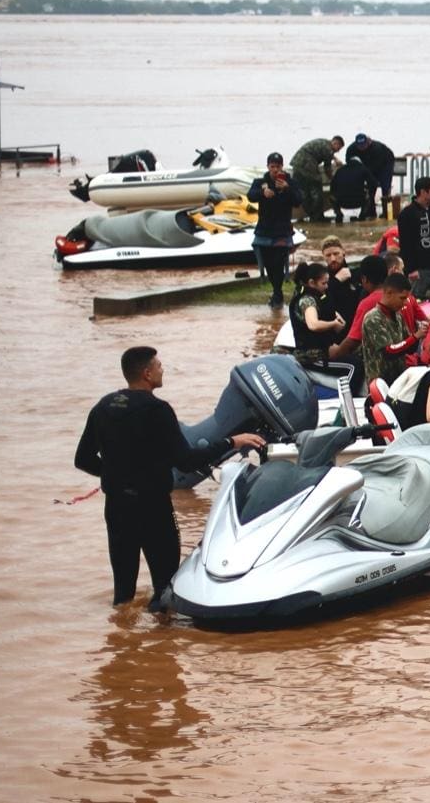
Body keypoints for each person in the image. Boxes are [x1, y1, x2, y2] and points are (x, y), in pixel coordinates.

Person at [75, 347, 266, 609]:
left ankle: (122, 645)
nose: (163, 369)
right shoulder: (158, 410)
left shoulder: (103, 406)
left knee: (122, 595)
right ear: (147, 373)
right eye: (159, 365)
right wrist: (232, 441)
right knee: (165, 589)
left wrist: (115, 475)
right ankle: (163, 646)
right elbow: (187, 462)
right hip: (153, 508)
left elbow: (82, 459)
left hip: (117, 509)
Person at [252, 151, 302, 308]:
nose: (275, 169)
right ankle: (277, 291)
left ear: (282, 166)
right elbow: (250, 195)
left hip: (282, 231)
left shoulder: (289, 181)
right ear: (268, 166)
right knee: (268, 264)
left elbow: (298, 201)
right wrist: (262, 192)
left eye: (278, 166)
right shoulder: (261, 181)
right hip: (264, 231)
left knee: (278, 262)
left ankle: (278, 293)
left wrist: (287, 188)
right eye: (272, 166)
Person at [394, 175, 430, 298]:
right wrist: (410, 269)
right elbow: (405, 244)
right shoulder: (407, 214)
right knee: (413, 299)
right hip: (420, 269)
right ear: (423, 192)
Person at [361, 273, 419, 387]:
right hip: (380, 385)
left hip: (399, 383)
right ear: (388, 293)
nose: (405, 303)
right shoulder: (373, 318)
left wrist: (420, 332)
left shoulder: (398, 316)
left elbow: (410, 348)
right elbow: (389, 352)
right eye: (402, 298)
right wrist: (416, 336)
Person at [289, 262, 346, 368]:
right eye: (323, 283)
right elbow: (313, 325)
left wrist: (336, 317)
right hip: (311, 357)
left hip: (323, 349)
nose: (327, 286)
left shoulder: (318, 297)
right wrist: (333, 324)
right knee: (355, 366)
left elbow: (326, 311)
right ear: (311, 283)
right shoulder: (307, 300)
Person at [290, 135, 345, 223]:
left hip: (297, 164)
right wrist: (333, 180)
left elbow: (326, 153)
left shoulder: (324, 142)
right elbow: (327, 169)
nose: (338, 151)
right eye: (339, 148)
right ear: (335, 143)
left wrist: (334, 158)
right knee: (317, 188)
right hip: (307, 165)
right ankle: (317, 216)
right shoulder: (328, 149)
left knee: (304, 191)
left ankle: (311, 214)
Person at [346, 133, 396, 220]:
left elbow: (376, 166)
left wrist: (367, 174)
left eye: (363, 145)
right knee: (370, 188)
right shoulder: (351, 149)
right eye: (359, 146)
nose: (361, 148)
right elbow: (349, 161)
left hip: (385, 164)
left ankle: (386, 212)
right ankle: (371, 211)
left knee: (385, 186)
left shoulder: (377, 148)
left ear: (368, 142)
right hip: (368, 165)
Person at [320, 235, 363, 327]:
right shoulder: (321, 279)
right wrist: (336, 281)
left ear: (343, 252)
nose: (333, 259)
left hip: (358, 324)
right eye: (328, 255)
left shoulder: (357, 273)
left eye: (336, 254)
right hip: (337, 327)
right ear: (323, 256)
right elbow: (320, 301)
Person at [328, 156, 377, 224]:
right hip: (358, 200)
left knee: (332, 197)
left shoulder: (340, 170)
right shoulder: (363, 168)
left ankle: (338, 213)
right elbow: (373, 183)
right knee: (368, 196)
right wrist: (367, 190)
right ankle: (362, 215)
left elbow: (332, 186)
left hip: (341, 201)